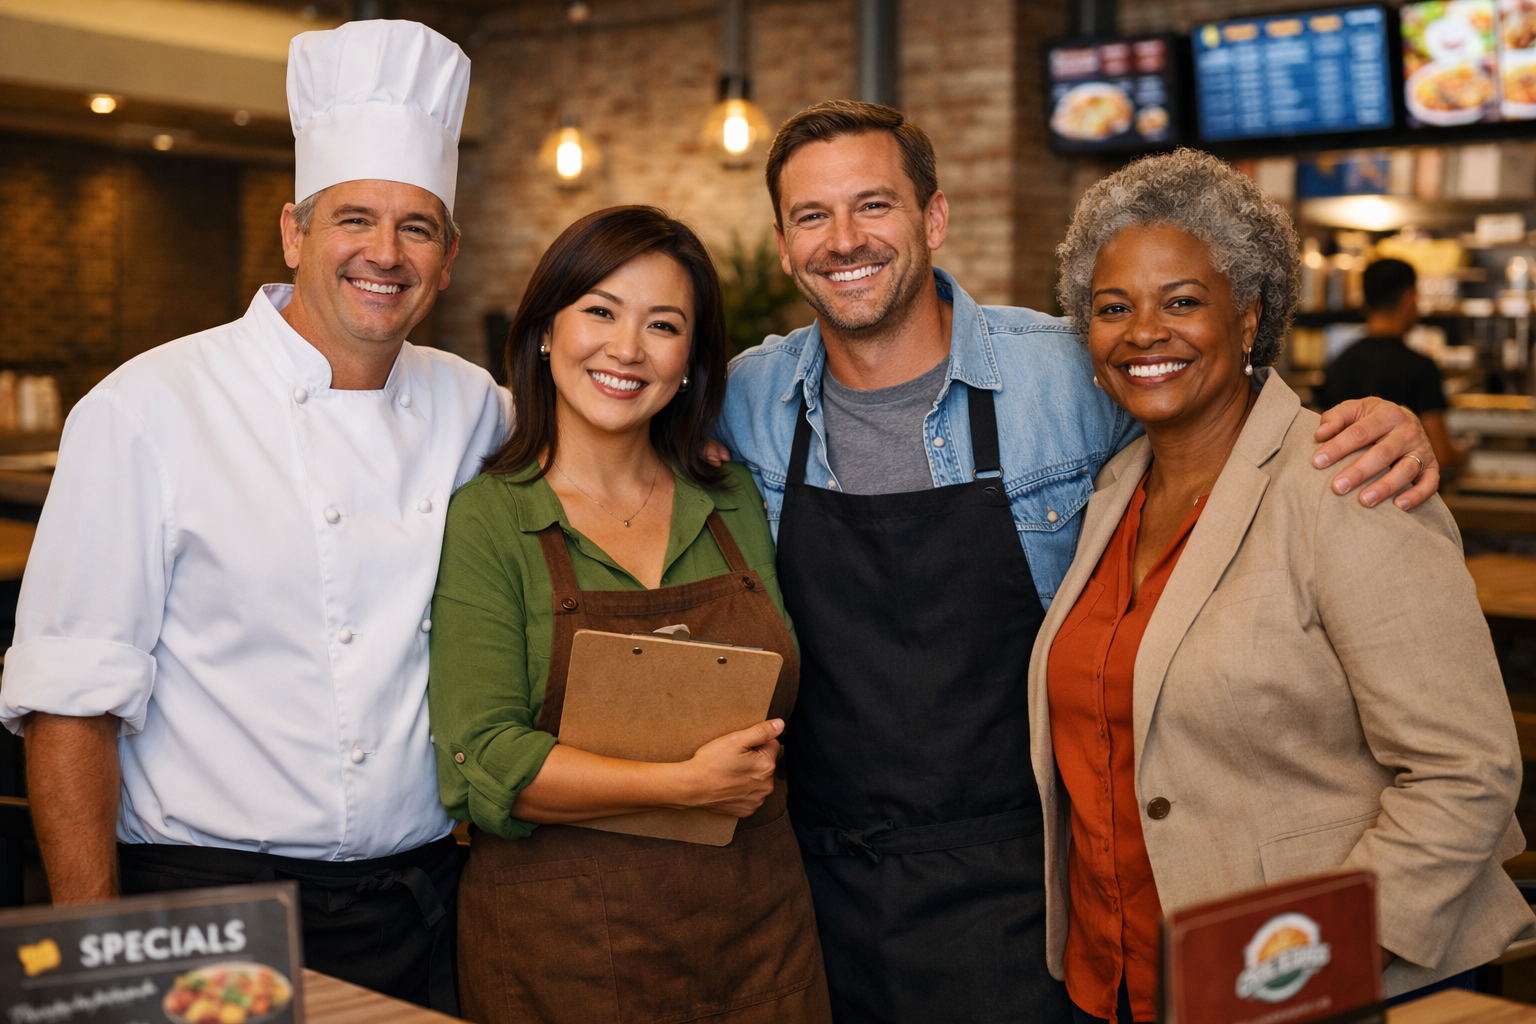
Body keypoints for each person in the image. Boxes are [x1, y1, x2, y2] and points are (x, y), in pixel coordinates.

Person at [715, 100, 1440, 1023]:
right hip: (824, 884)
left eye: (874, 206)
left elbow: (1227, 423)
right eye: (812, 216)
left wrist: (1377, 424)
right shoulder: (745, 396)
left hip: (1042, 885)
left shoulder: (1069, 370)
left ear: (933, 219)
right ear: (783, 244)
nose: (843, 239)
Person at [0, 21, 506, 1013]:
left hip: (423, 901)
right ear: (294, 231)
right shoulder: (147, 406)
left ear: (448, 259)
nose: (384, 254)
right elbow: (70, 701)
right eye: (354, 218)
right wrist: (101, 960)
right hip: (207, 900)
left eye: (417, 228)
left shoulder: (477, 404)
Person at [1032, 149, 1533, 1024]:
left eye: (1182, 300)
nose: (1145, 331)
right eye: (1114, 308)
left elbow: (1467, 772)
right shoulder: (1109, 494)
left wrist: (1311, 961)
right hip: (1109, 981)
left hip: (1285, 990)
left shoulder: (1347, 481)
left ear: (1251, 314)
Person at [429, 206, 832, 1024]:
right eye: (600, 312)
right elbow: (486, 760)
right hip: (563, 949)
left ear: (690, 359)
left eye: (663, 325)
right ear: (545, 329)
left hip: (758, 931)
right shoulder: (492, 517)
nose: (627, 349)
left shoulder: (732, 498)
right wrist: (684, 787)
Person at [1314, 258, 1458, 468]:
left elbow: (1321, 435)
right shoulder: (1420, 367)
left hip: (1342, 485)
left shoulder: (1339, 363)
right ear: (1408, 298)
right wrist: (1462, 455)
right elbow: (1440, 454)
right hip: (1405, 492)